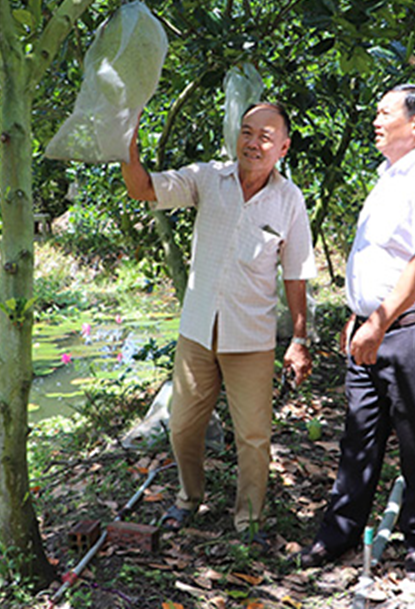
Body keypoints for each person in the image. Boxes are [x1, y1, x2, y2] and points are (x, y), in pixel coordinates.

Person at [120, 101, 316, 548]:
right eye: (247, 132)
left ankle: (249, 521)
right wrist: (127, 142)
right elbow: (143, 189)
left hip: (250, 338)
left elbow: (296, 271)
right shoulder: (208, 177)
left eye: (266, 136)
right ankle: (190, 497)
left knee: (253, 435)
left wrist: (299, 338)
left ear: (283, 147)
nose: (253, 142)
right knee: (183, 426)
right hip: (197, 331)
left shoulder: (290, 201)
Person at [300, 84, 415, 580]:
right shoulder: (387, 176)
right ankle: (340, 531)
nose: (375, 120)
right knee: (358, 436)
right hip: (369, 330)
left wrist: (379, 320)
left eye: (384, 113)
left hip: (409, 331)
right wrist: (359, 318)